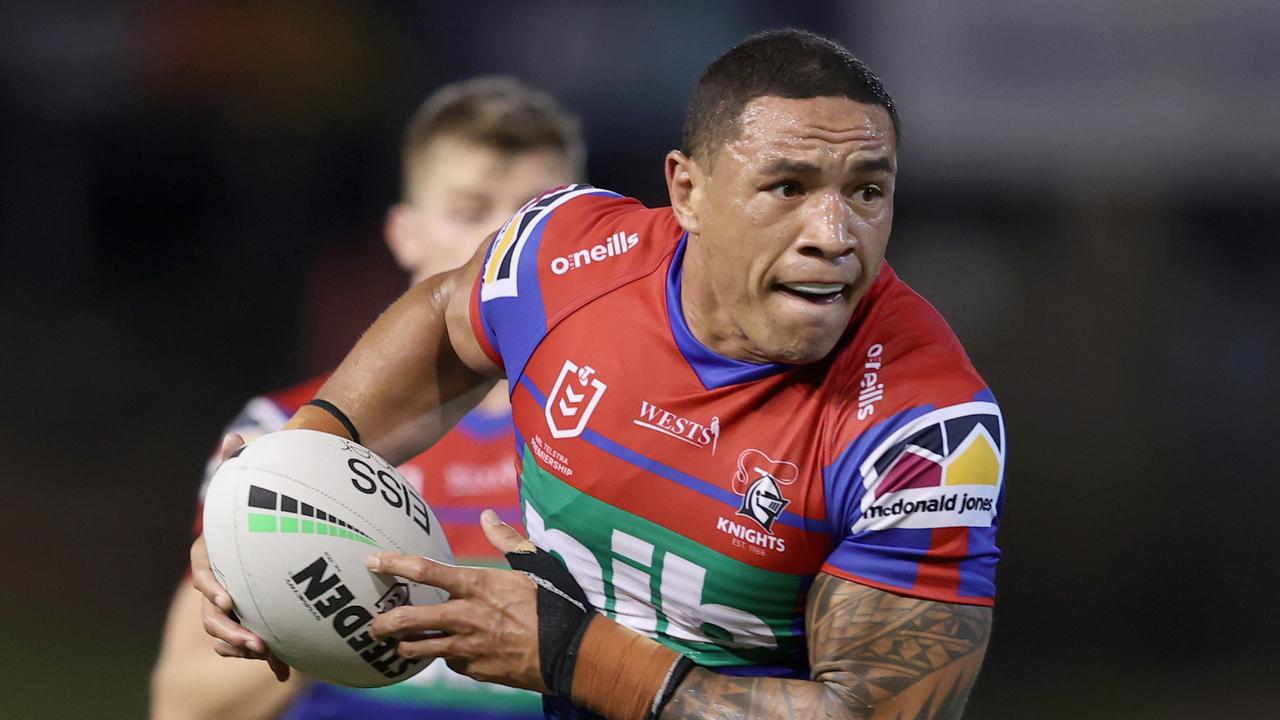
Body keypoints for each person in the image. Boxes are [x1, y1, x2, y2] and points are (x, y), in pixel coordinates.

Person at [195, 29, 1006, 720]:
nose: (835, 233)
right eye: (787, 187)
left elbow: (866, 714)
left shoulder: (923, 430)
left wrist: (575, 655)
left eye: (868, 190)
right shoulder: (568, 256)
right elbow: (449, 311)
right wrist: (295, 471)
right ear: (688, 191)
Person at [151, 76, 586, 720]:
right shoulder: (286, 441)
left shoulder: (625, 432)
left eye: (532, 218)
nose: (504, 248)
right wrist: (308, 605)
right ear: (404, 233)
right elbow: (184, 703)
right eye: (470, 211)